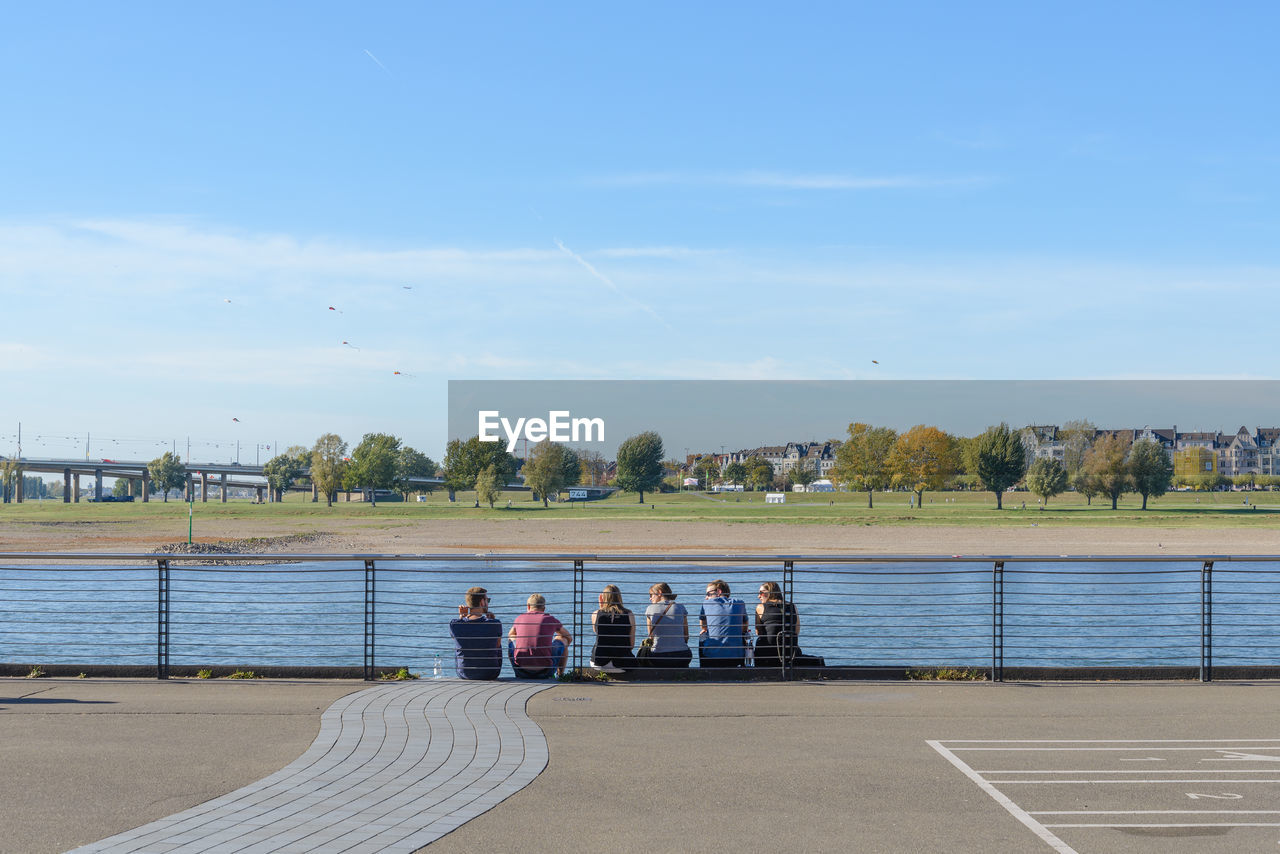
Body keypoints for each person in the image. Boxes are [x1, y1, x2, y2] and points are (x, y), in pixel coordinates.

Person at [507, 593, 572, 678]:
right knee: (562, 638)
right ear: (544, 608)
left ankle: (518, 671)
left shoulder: (520, 618)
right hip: (545, 671)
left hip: (521, 671)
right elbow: (569, 637)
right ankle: (560, 675)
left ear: (528, 606)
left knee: (511, 638)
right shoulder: (550, 619)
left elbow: (510, 634)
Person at [448, 586, 502, 680]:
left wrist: (461, 617)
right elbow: (497, 646)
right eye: (487, 600)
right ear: (482, 602)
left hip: (465, 673)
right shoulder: (495, 623)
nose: (488, 603)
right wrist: (491, 621)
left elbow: (457, 639)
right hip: (490, 673)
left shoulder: (454, 624)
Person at [698, 579, 748, 668]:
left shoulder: (707, 603)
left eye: (708, 594)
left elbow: (703, 627)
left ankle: (703, 669)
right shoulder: (740, 603)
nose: (706, 597)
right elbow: (744, 627)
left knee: (702, 636)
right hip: (736, 656)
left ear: (718, 592)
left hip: (712, 656)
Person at [643, 582, 691, 667]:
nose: (650, 599)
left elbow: (651, 636)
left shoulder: (650, 609)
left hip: (659, 657)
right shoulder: (681, 607)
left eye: (651, 595)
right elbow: (686, 636)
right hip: (682, 656)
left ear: (659, 593)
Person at [753, 581, 800, 668]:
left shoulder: (760, 607)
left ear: (770, 592)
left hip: (768, 654)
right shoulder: (793, 606)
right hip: (790, 653)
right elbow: (796, 631)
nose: (759, 596)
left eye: (761, 593)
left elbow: (758, 632)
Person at [590, 585, 637, 669]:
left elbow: (598, 633)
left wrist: (601, 608)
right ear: (619, 597)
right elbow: (631, 645)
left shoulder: (595, 614)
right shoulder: (629, 614)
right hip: (623, 664)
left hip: (600, 663)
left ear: (603, 598)